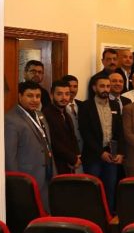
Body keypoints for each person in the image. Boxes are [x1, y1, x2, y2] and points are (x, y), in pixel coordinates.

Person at [5, 81, 56, 210]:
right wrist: (17, 183)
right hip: (28, 176)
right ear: (20, 96)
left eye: (38, 96)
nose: (34, 100)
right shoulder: (11, 119)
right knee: (30, 213)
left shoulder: (40, 115)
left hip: (47, 173)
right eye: (30, 96)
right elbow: (10, 157)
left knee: (46, 211)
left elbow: (47, 144)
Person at [79, 76, 125, 210]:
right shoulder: (85, 106)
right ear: (94, 88)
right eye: (102, 86)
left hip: (112, 155)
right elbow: (86, 133)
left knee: (110, 188)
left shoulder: (115, 105)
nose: (106, 89)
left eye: (107, 86)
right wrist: (100, 153)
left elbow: (119, 131)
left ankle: (109, 216)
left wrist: (120, 152)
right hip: (93, 156)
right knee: (92, 189)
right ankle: (92, 216)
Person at [42, 80, 80, 175]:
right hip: (56, 164)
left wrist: (77, 156)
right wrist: (72, 159)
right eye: (59, 94)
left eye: (67, 94)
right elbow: (53, 142)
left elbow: (72, 137)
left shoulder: (66, 114)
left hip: (69, 162)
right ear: (51, 95)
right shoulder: (46, 114)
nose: (64, 98)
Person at [62, 74, 84, 169]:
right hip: (67, 153)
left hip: (83, 152)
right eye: (69, 86)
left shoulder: (82, 105)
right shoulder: (59, 108)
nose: (72, 90)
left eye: (75, 86)